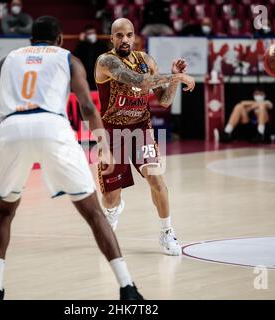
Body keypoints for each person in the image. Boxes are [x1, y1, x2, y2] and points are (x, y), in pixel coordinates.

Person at [0, 16, 144, 301]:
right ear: (59, 40)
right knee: (93, 213)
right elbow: (86, 107)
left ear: (30, 41)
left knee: (4, 213)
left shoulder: (9, 59)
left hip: (11, 129)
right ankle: (127, 288)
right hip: (51, 127)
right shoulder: (68, 58)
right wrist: (103, 145)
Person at [94, 18, 195, 256]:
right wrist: (178, 78)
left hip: (141, 128)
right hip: (111, 132)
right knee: (110, 199)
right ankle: (113, 210)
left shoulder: (146, 60)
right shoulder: (106, 61)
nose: (124, 39)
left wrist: (174, 77)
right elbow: (140, 81)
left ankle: (167, 232)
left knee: (156, 179)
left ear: (134, 36)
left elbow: (164, 100)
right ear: (112, 38)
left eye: (129, 35)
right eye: (119, 35)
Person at [74, 25, 109, 90]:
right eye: (89, 33)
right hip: (86, 77)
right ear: (85, 35)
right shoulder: (82, 46)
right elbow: (75, 57)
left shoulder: (102, 46)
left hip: (99, 77)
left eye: (93, 33)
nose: (92, 35)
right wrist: (81, 42)